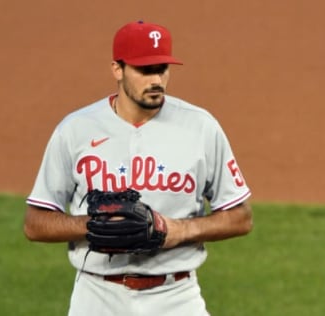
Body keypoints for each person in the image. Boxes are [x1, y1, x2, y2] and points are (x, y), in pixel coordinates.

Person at [24, 20, 253, 316]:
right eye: (145, 70)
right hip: (96, 297)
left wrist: (180, 229)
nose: (156, 79)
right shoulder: (75, 130)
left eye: (162, 69)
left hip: (176, 297)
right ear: (117, 69)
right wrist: (95, 224)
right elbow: (35, 223)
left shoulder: (201, 127)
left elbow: (240, 218)